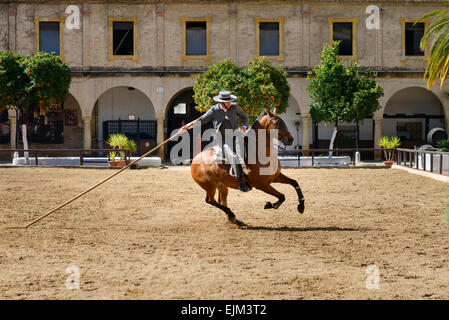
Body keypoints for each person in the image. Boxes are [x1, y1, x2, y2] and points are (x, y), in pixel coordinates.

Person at [181, 90, 251, 192]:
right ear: (221, 102)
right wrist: (187, 127)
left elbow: (244, 116)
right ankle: (240, 182)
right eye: (227, 102)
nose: (229, 103)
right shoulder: (214, 110)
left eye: (230, 101)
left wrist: (244, 126)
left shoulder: (234, 106)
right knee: (233, 155)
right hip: (222, 138)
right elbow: (202, 120)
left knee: (251, 147)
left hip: (236, 135)